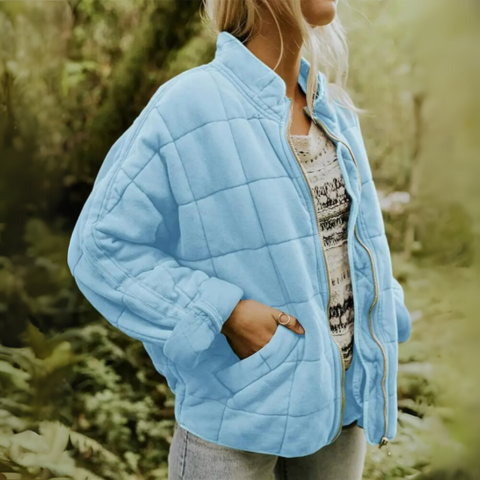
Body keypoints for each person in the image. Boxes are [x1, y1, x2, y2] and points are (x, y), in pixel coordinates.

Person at [67, 0, 413, 478]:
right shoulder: (189, 104)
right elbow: (100, 246)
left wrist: (384, 310)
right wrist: (224, 312)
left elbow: (354, 242)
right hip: (238, 415)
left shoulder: (333, 110)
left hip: (341, 411)